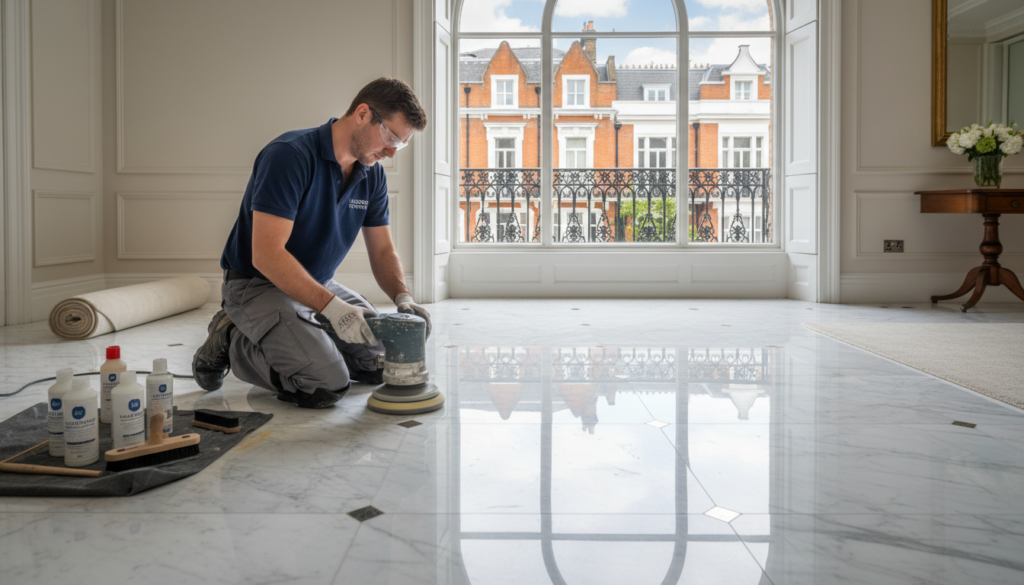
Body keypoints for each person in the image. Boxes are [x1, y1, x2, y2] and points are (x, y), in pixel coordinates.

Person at [192, 77, 431, 409]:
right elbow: (266, 255)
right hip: (257, 285)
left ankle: (307, 332)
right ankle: (230, 337)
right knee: (324, 384)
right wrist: (333, 310)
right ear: (363, 114)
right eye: (391, 137)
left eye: (400, 144)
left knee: (381, 364)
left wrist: (403, 298)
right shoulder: (289, 155)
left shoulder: (371, 173)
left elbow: (382, 250)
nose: (392, 152)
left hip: (318, 283)